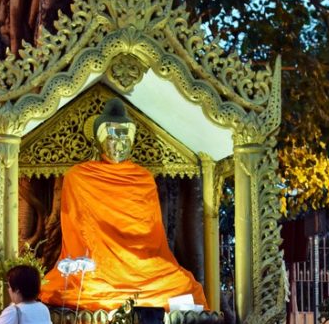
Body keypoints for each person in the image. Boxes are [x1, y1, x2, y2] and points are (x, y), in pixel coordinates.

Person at [40, 97, 208, 311]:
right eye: (112, 136)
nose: (119, 144)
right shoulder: (79, 177)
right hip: (97, 270)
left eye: (125, 137)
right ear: (99, 140)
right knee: (67, 286)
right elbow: (76, 234)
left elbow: (153, 237)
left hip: (145, 268)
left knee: (183, 284)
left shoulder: (143, 178)